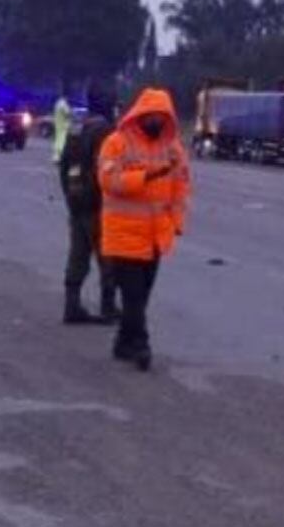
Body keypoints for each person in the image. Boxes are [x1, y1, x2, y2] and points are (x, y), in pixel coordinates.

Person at [97, 88, 190, 371]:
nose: (156, 122)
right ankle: (141, 345)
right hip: (124, 234)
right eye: (151, 116)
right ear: (139, 115)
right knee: (134, 295)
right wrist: (146, 176)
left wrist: (176, 223)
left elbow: (180, 188)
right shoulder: (116, 143)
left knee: (141, 295)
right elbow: (108, 181)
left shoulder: (173, 149)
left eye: (161, 117)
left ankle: (123, 342)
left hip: (155, 237)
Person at [58, 82, 119, 325]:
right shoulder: (105, 131)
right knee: (108, 256)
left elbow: (64, 165)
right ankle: (107, 307)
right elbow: (106, 167)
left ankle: (71, 305)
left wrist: (70, 194)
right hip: (98, 203)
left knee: (78, 254)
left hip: (76, 200)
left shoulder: (76, 126)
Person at [51, 93, 72, 164]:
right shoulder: (63, 104)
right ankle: (60, 158)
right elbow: (68, 113)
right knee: (62, 141)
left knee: (57, 140)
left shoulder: (57, 103)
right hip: (63, 126)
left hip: (58, 124)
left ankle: (56, 158)